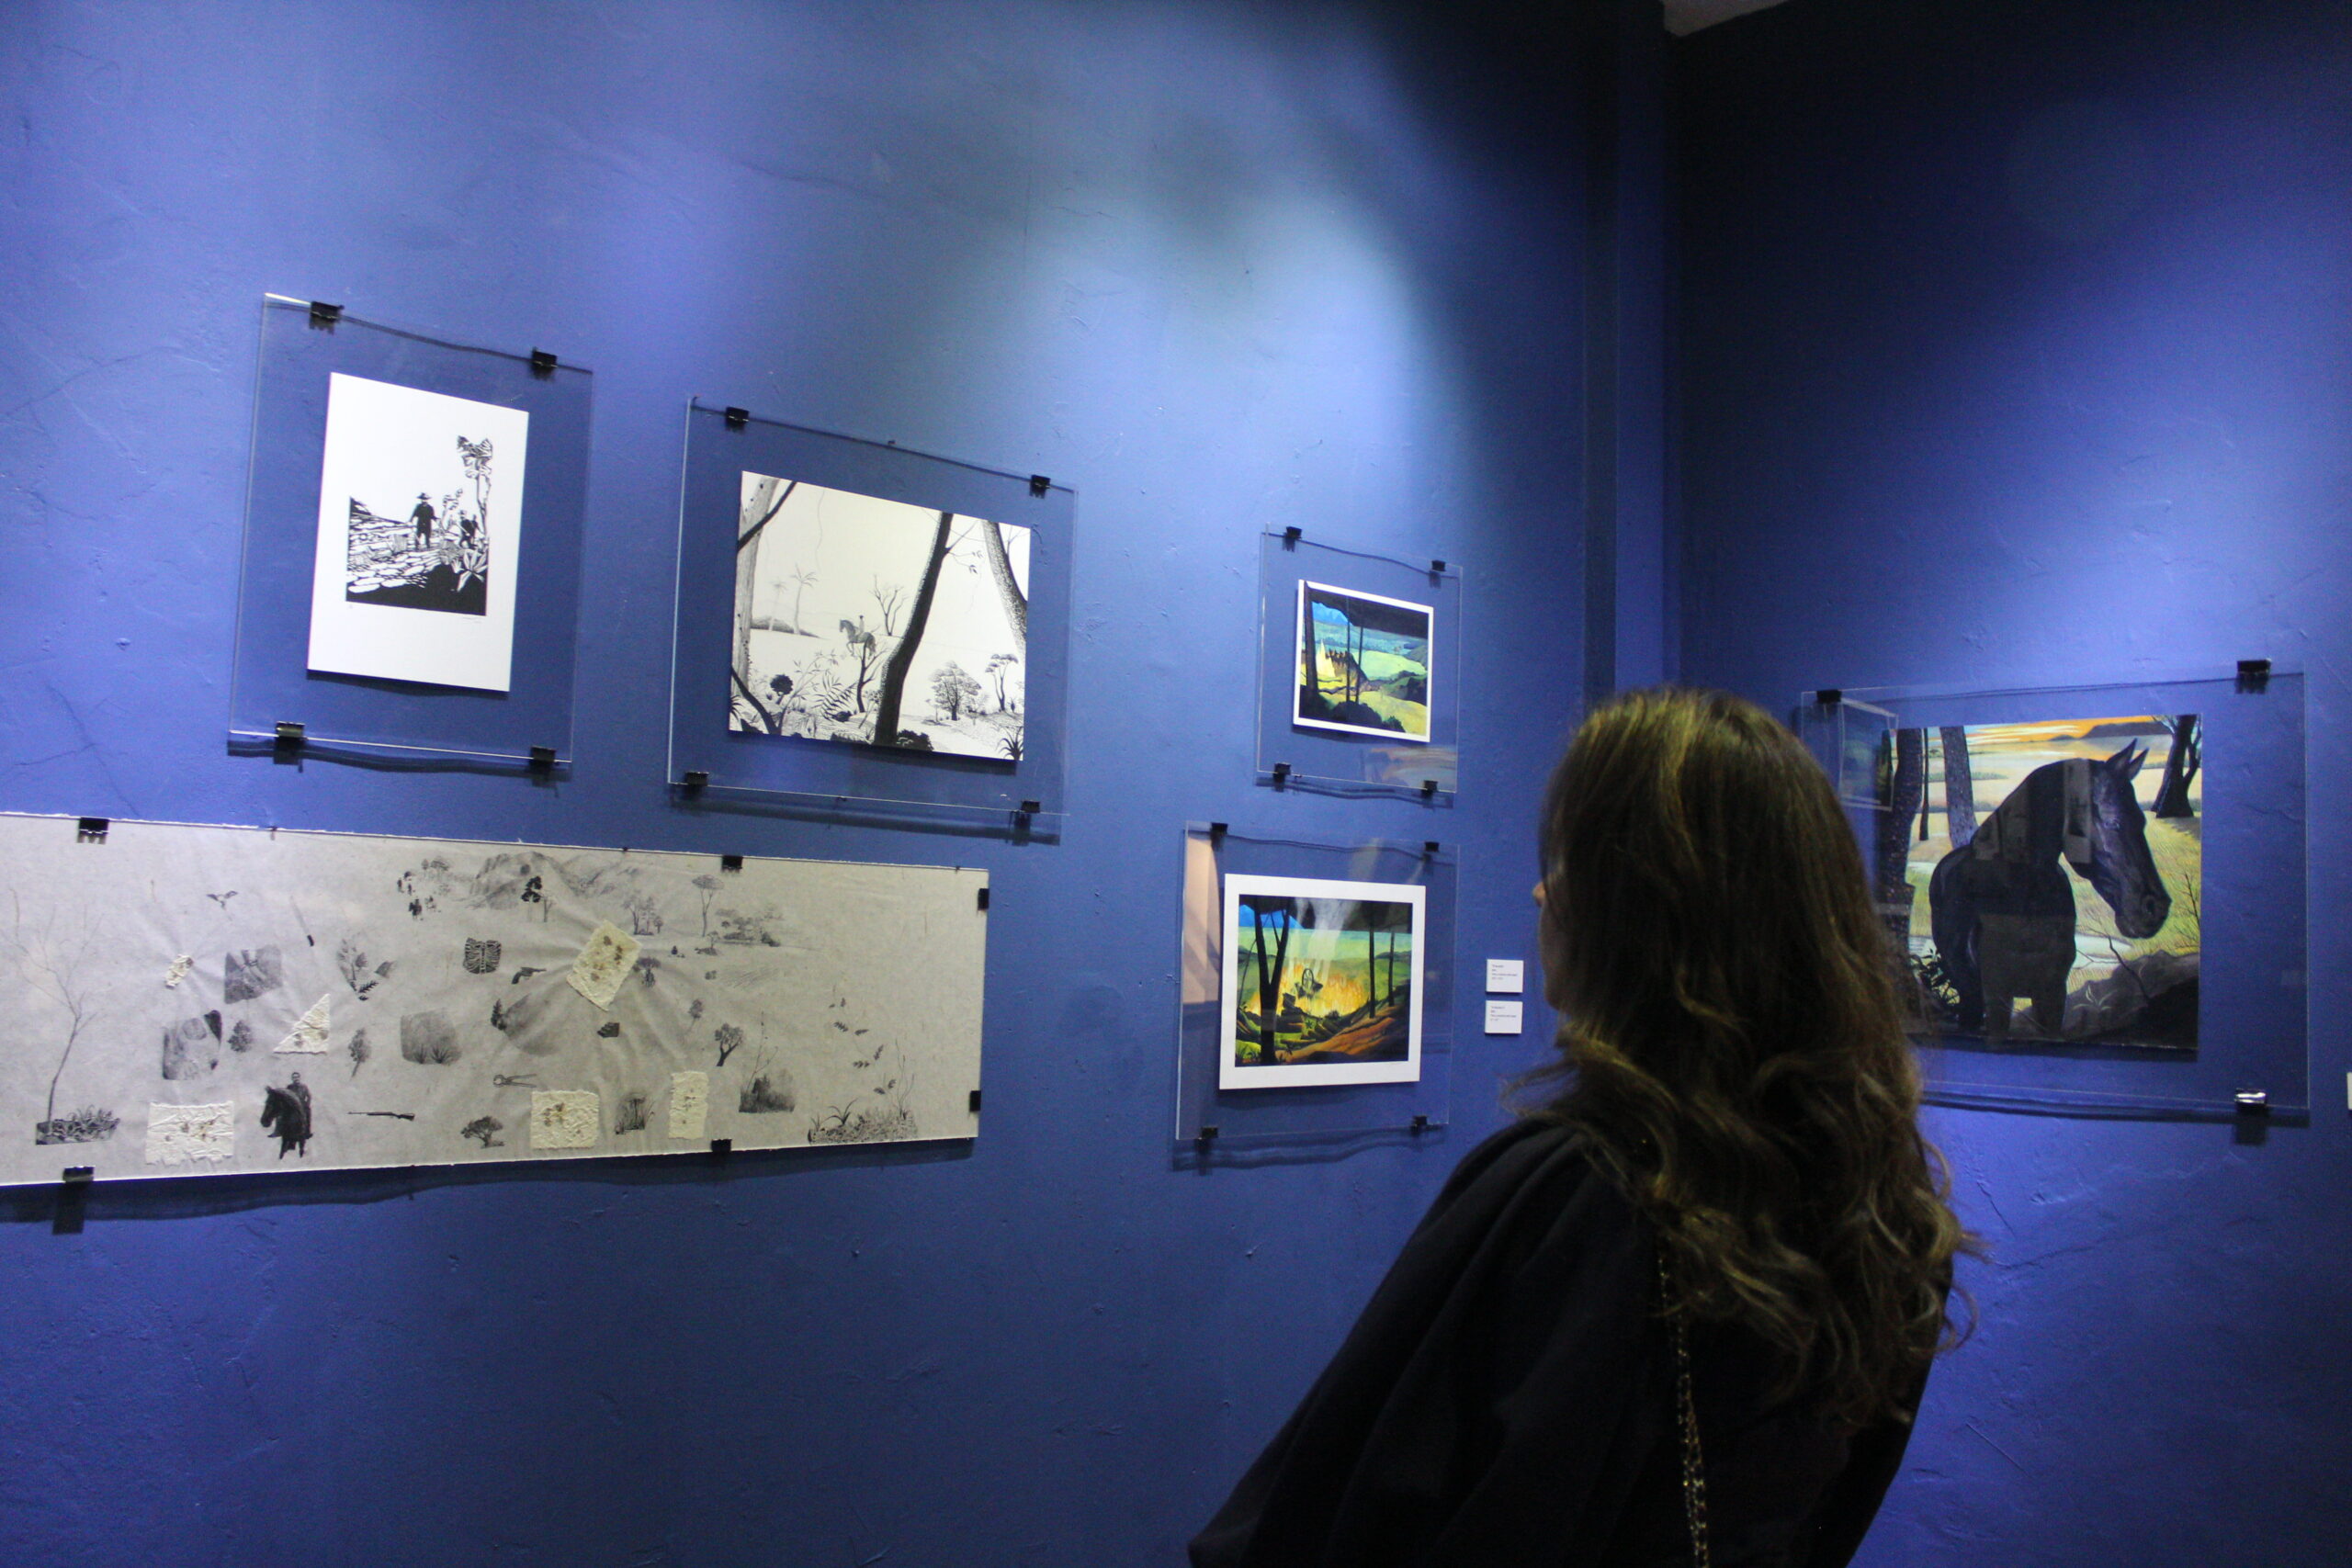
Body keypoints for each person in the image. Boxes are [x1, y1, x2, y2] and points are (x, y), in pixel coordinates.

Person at [1191, 688, 1972, 1567]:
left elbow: (1335, 1522)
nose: (1541, 888)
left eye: (1568, 859)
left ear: (1644, 905)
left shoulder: (1574, 1196)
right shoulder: (1883, 1203)